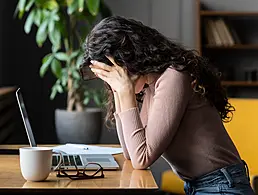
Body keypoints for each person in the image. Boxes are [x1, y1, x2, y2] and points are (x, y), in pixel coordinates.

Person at [81, 15, 255, 195]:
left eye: (111, 74)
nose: (110, 83)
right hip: (200, 187)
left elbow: (142, 158)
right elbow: (130, 153)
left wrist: (125, 91)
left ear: (127, 60)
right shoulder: (150, 87)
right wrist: (118, 91)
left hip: (222, 187)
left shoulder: (174, 76)